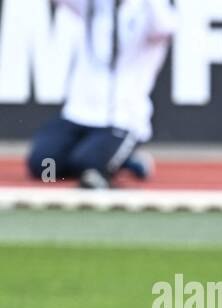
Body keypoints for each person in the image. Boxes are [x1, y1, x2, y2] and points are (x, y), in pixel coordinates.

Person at [26, 0, 173, 188]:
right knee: (44, 166)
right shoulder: (95, 5)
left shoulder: (149, 10)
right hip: (79, 114)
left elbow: (164, 28)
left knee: (89, 167)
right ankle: (124, 161)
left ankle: (108, 159)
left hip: (122, 118)